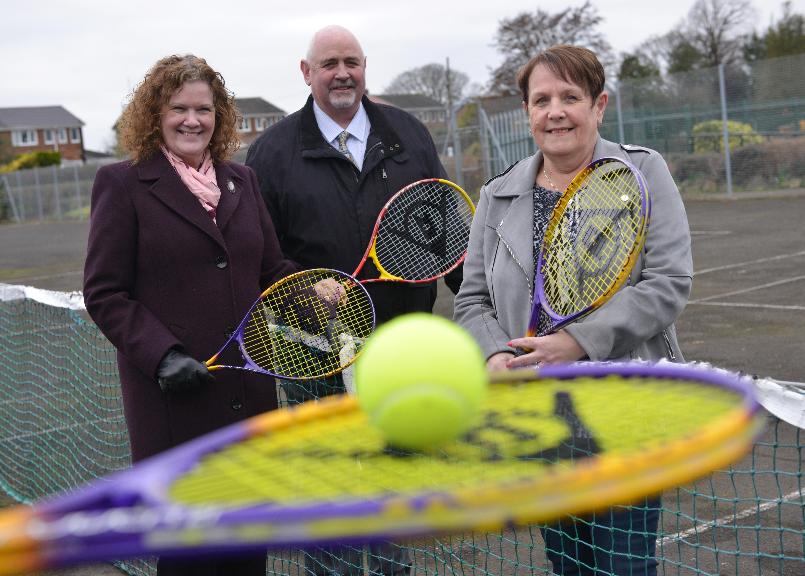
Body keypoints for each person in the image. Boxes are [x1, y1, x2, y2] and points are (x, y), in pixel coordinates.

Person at [453, 45, 693, 576]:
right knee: (568, 566)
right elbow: (472, 301)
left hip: (623, 413)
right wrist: (495, 355)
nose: (554, 111)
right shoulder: (497, 196)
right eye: (541, 100)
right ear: (527, 114)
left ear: (599, 104)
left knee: (625, 566)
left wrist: (577, 342)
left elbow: (669, 283)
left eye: (570, 97)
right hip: (540, 420)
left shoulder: (643, 172)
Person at [246, 24, 460, 576]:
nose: (342, 73)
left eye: (352, 62)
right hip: (312, 352)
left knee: (397, 487)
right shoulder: (270, 153)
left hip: (401, 345)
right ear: (306, 73)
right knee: (327, 490)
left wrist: (481, 303)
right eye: (329, 64)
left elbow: (442, 229)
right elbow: (258, 255)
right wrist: (301, 287)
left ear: (365, 68)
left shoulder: (408, 133)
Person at [83, 54, 299, 576]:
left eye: (204, 109)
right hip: (175, 406)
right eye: (178, 107)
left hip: (248, 401)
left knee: (250, 550)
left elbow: (271, 268)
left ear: (219, 117)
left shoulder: (242, 181)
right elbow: (105, 292)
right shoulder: (123, 184)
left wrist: (309, 288)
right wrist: (162, 356)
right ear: (155, 114)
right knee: (188, 556)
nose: (192, 120)